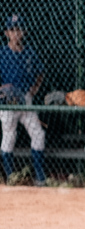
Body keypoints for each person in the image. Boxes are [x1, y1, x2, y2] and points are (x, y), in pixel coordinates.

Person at [0, 13, 47, 184]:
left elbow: (40, 72)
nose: (16, 33)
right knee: (9, 136)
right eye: (12, 30)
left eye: (19, 29)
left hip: (25, 99)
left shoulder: (29, 52)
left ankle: (40, 177)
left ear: (24, 32)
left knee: (38, 134)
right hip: (7, 101)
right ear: (6, 33)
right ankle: (11, 177)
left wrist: (35, 88)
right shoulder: (2, 53)